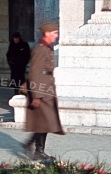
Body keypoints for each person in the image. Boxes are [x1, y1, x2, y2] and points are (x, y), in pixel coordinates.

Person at [23, 22, 64, 161]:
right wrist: (37, 95)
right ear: (47, 33)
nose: (56, 36)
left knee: (45, 121)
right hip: (41, 90)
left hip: (46, 88)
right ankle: (38, 150)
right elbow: (34, 72)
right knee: (46, 120)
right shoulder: (41, 49)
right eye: (54, 33)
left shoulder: (47, 47)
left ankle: (31, 146)